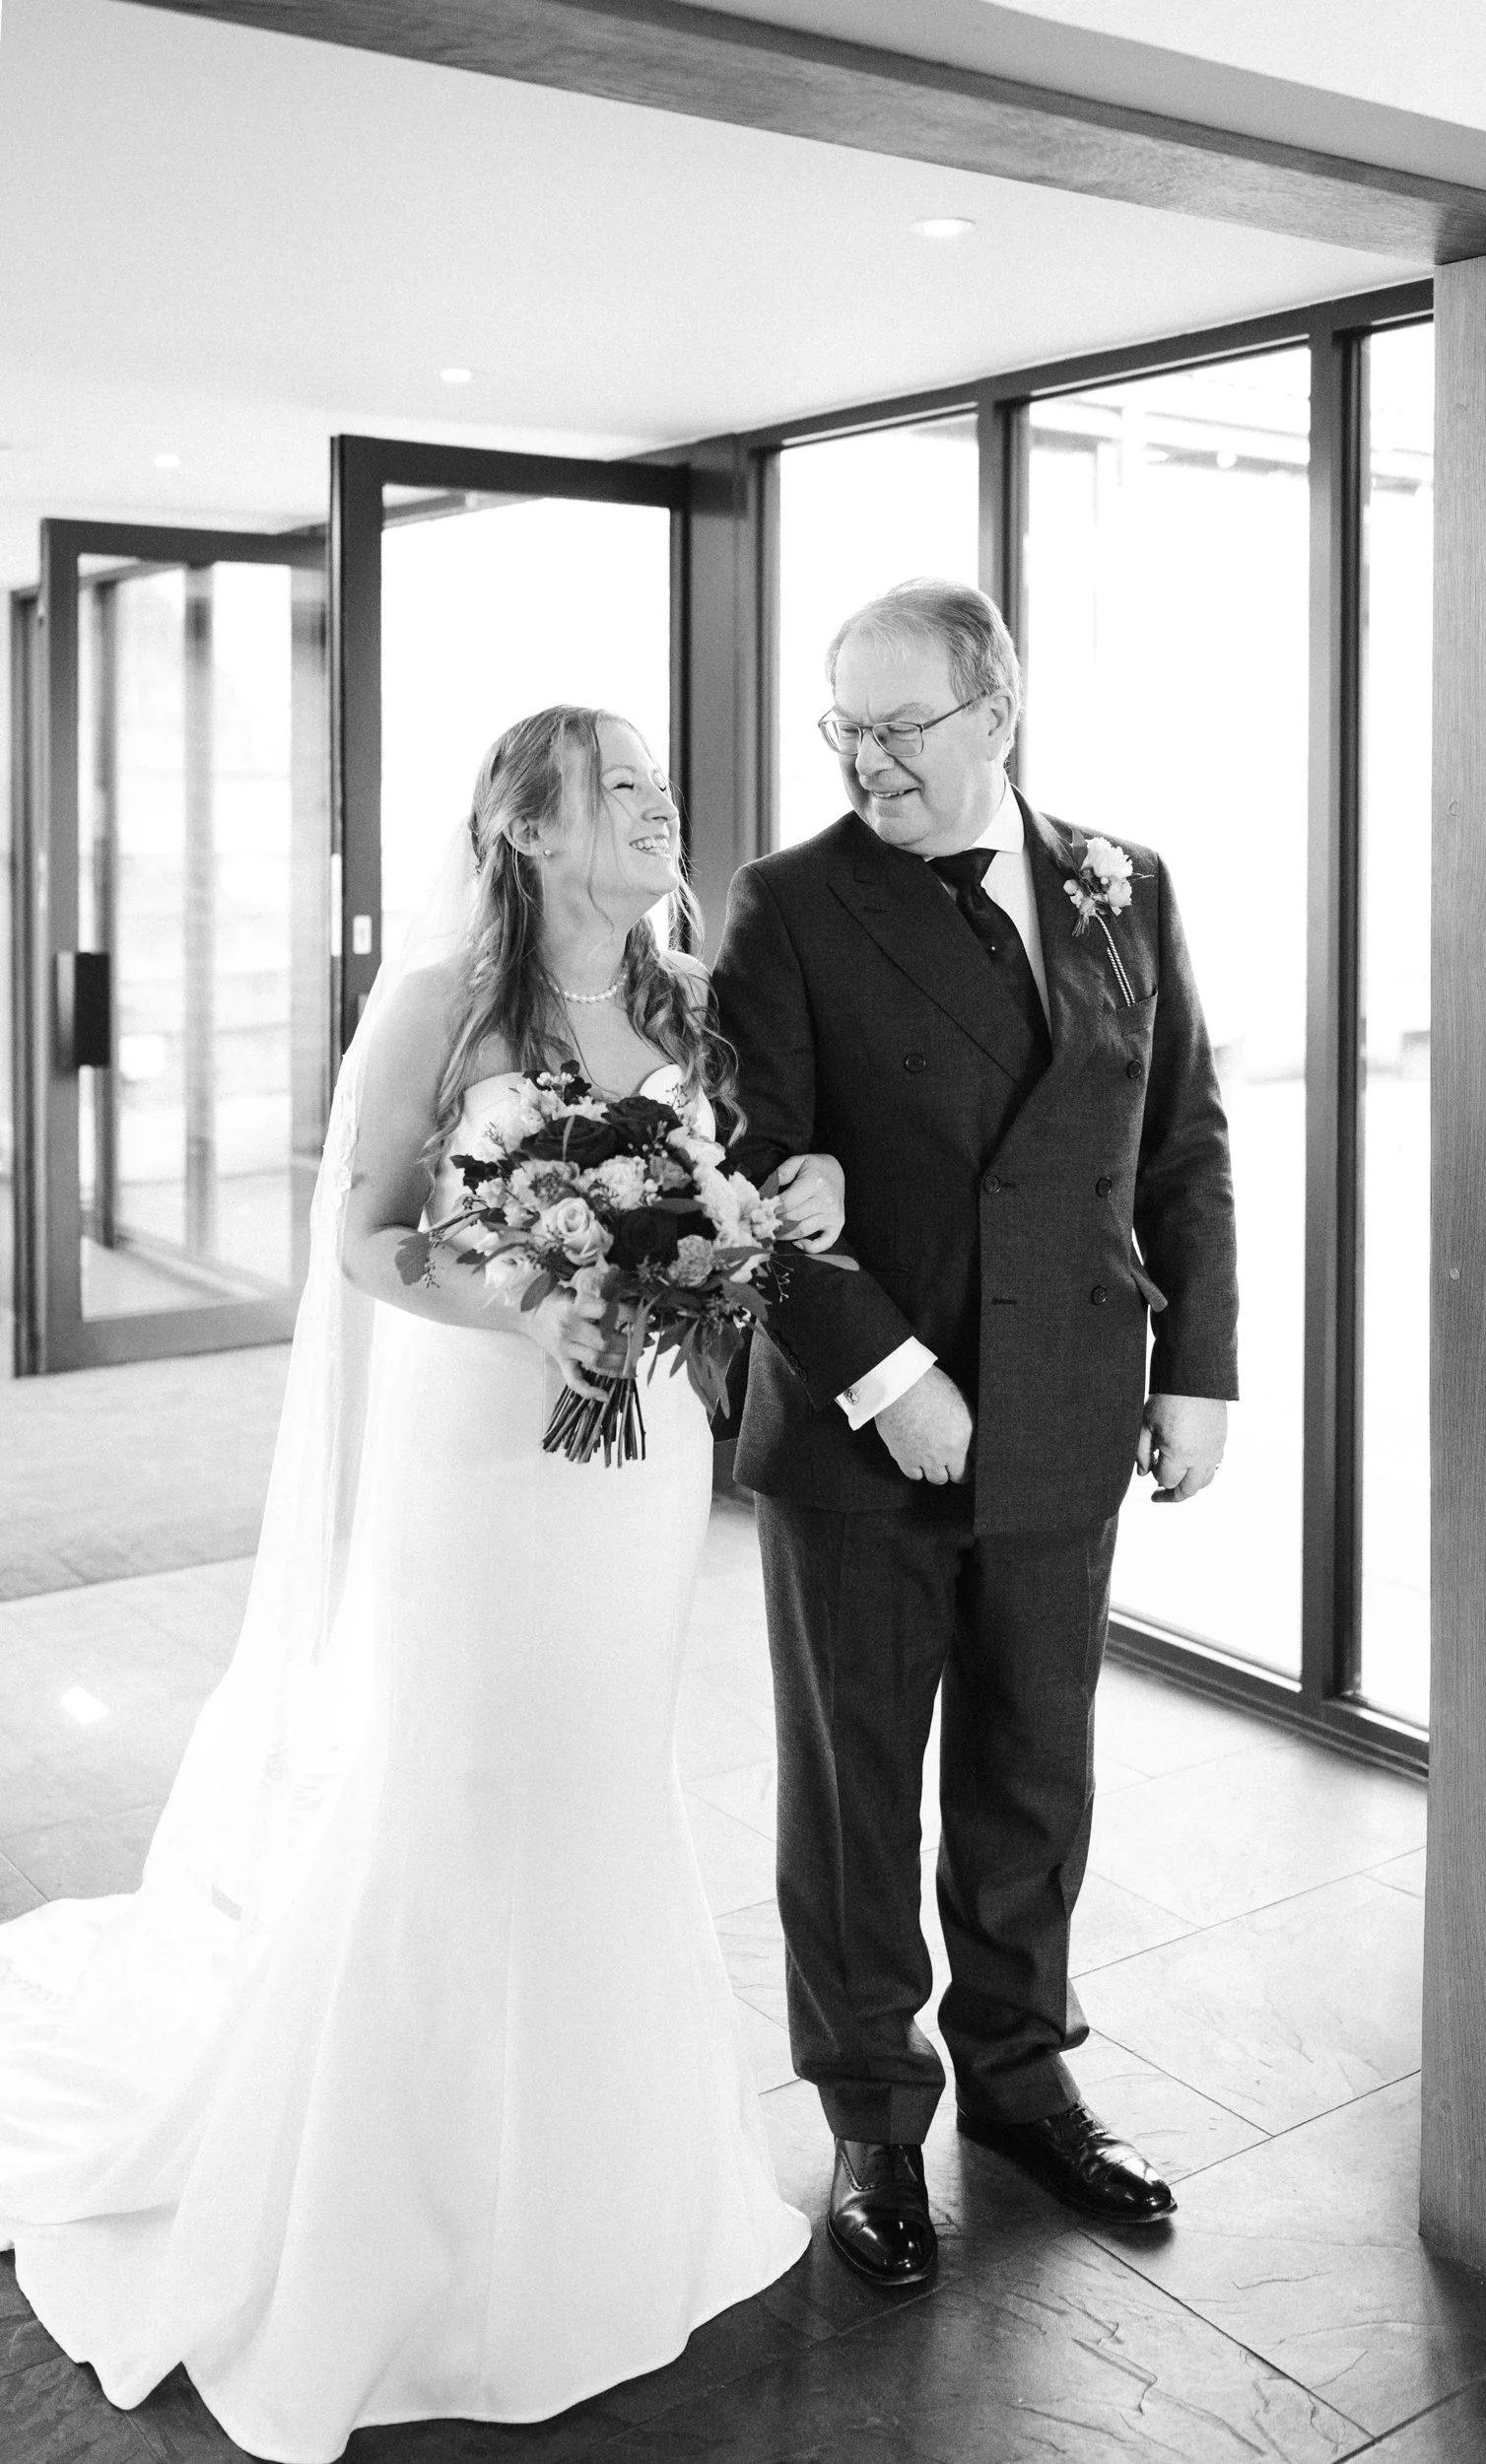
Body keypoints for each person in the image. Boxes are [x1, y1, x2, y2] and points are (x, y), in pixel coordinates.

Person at [0, 706, 846, 2460]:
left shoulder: (690, 993)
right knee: (462, 1784)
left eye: (654, 779)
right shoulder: (438, 1002)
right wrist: (520, 1300)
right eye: (612, 781)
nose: (651, 800)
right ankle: (411, 2224)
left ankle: (618, 2196)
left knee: (604, 1788)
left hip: (638, 1469)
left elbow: (726, 1194)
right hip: (476, 1450)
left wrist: (768, 1217)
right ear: (525, 825)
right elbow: (368, 1233)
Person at [712, 579, 1238, 2288]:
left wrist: (1197, 1368)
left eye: (899, 725)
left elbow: (1183, 1139)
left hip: (1074, 1399)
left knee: (1034, 1764)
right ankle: (874, 2116)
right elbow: (749, 1169)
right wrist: (886, 1375)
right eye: (841, 727)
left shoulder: (1121, 882)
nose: (864, 758)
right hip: (870, 1430)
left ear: (996, 714)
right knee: (859, 1787)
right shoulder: (788, 903)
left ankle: (1020, 2076)